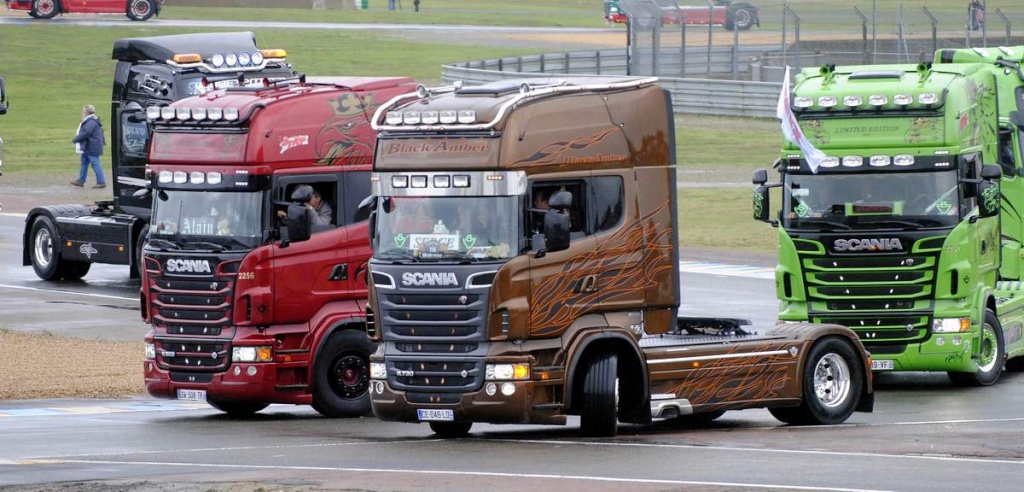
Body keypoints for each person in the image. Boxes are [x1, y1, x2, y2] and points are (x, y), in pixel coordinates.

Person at [71, 104, 107, 189]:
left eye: (83, 111)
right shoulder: (92, 120)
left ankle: (101, 182)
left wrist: (76, 139)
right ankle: (80, 180)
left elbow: (86, 132)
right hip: (89, 146)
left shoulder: (91, 121)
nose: (82, 113)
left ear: (87, 112)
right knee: (84, 163)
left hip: (91, 146)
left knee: (95, 163)